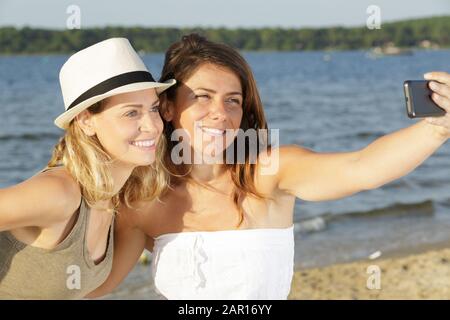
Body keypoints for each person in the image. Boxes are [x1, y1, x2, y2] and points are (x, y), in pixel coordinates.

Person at [88, 34, 450, 300]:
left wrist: (438, 128)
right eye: (202, 97)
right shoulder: (144, 202)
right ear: (167, 108)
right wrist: (100, 199)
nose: (221, 113)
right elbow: (95, 286)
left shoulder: (268, 173)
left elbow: (362, 168)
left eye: (233, 100)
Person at [0, 38, 175, 299]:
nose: (152, 125)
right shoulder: (59, 193)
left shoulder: (120, 202)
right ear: (85, 121)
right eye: (131, 113)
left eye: (153, 108)